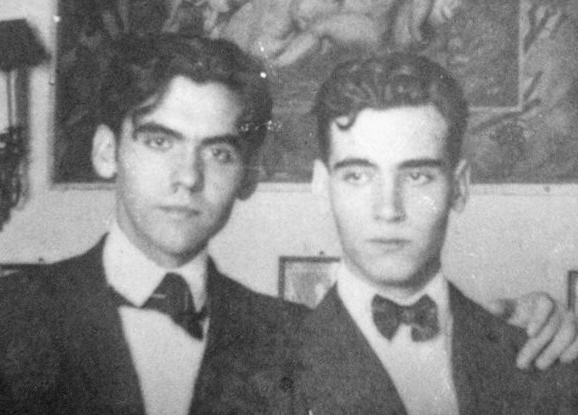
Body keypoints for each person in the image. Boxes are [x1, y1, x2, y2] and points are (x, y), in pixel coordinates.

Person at [0, 34, 575, 415]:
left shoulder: (283, 334)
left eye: (219, 151)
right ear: (104, 152)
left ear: (248, 176)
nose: (188, 177)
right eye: (160, 142)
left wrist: (537, 322)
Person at [239, 53, 578, 414]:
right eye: (358, 176)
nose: (388, 209)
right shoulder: (259, 382)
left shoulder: (542, 356)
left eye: (417, 176)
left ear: (459, 188)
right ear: (322, 187)